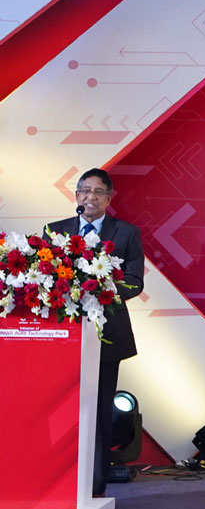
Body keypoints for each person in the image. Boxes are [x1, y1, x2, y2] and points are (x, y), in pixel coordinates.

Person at [45, 168, 144, 497]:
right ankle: (55, 477)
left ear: (109, 198)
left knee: (100, 410)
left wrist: (101, 289)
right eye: (85, 191)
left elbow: (135, 281)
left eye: (98, 192)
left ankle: (94, 482)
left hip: (106, 334)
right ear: (76, 196)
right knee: (58, 410)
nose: (91, 197)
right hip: (61, 336)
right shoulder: (55, 232)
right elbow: (42, 276)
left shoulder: (126, 233)